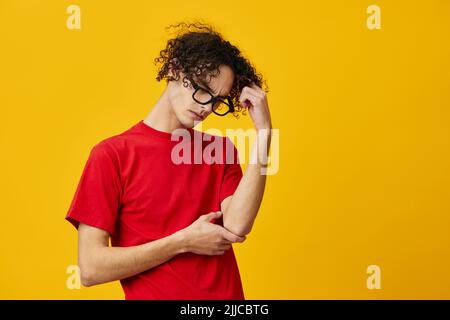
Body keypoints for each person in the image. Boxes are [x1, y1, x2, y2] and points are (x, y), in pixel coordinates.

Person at [65, 21, 272, 300]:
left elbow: (237, 226)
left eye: (217, 101)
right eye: (201, 90)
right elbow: (91, 268)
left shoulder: (220, 150)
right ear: (175, 70)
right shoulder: (111, 155)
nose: (206, 107)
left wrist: (264, 133)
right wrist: (183, 242)